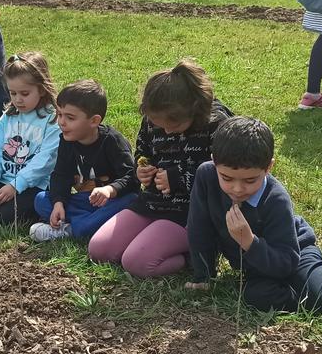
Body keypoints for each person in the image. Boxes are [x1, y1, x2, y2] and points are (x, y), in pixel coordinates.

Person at [185, 116, 322, 314]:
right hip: (258, 266)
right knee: (256, 298)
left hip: (294, 252)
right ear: (214, 162)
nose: (237, 189)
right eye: (227, 178)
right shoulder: (206, 176)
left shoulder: (276, 198)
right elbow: (199, 228)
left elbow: (287, 262)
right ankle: (320, 292)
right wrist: (203, 275)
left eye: (250, 180)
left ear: (268, 168)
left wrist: (248, 241)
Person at [88, 60, 233, 278]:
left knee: (136, 262)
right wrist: (142, 168)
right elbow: (143, 151)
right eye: (157, 124)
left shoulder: (217, 125)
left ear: (193, 110)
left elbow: (225, 176)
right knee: (99, 250)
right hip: (154, 203)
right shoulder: (153, 119)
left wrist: (177, 178)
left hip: (191, 212)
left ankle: (193, 255)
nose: (164, 130)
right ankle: (155, 241)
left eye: (172, 127)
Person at [30, 79, 137, 243]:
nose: (62, 122)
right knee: (41, 200)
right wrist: (59, 203)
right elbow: (61, 175)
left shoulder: (112, 141)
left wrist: (109, 190)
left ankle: (73, 228)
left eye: (70, 118)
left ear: (94, 121)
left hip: (112, 201)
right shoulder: (67, 140)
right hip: (85, 201)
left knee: (132, 201)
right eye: (59, 114)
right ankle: (87, 224)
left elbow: (132, 178)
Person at [0, 52, 60, 225]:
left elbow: (45, 161)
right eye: (13, 93)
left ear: (41, 88)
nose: (18, 99)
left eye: (25, 93)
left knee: (3, 219)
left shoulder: (52, 120)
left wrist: (17, 185)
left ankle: (38, 213)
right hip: (4, 180)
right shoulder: (7, 117)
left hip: (34, 186)